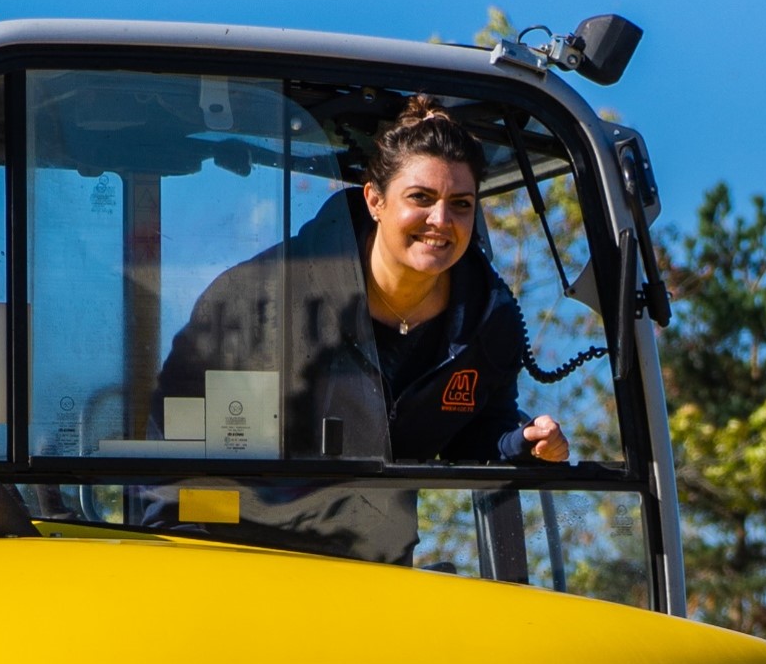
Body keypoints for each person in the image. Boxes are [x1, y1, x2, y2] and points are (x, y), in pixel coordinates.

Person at [156, 95, 575, 470]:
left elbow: (478, 437)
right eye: (421, 198)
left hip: (375, 556)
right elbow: (173, 452)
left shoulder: (489, 322)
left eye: (461, 205)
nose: (441, 221)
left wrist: (523, 443)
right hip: (242, 549)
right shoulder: (254, 301)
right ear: (375, 200)